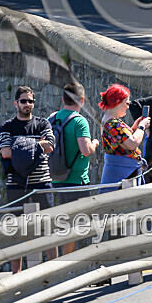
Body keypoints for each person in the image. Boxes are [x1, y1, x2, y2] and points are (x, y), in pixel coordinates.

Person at [0, 85, 57, 272]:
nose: (27, 104)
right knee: (17, 230)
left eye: (31, 101)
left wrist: (21, 145)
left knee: (48, 227)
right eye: (23, 101)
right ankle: (17, 274)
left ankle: (53, 270)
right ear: (16, 103)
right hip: (16, 184)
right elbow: (5, 152)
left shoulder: (42, 124)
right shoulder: (7, 126)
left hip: (42, 183)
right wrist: (34, 145)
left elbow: (50, 146)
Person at [50, 82, 99, 255]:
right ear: (82, 100)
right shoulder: (79, 121)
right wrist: (94, 144)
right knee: (75, 225)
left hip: (55, 179)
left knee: (59, 223)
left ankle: (56, 264)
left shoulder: (52, 118)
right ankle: (68, 265)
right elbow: (85, 150)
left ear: (63, 98)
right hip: (76, 181)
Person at [99, 84, 150, 193]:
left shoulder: (107, 120)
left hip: (120, 170)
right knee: (126, 203)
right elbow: (132, 143)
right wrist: (142, 127)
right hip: (125, 173)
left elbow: (121, 141)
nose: (128, 106)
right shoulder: (113, 123)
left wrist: (134, 127)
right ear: (117, 102)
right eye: (126, 103)